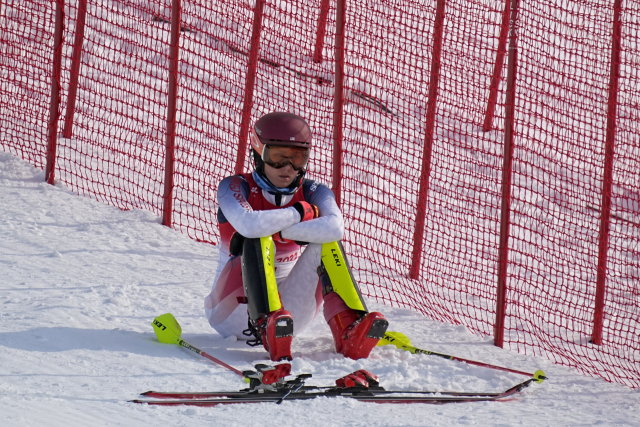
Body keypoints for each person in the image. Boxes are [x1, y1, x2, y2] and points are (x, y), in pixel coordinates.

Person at [205, 112, 388, 362]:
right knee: (256, 237)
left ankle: (348, 329)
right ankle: (266, 321)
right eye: (278, 157)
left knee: (326, 243)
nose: (287, 168)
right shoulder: (234, 186)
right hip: (231, 312)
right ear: (259, 153)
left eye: (297, 158)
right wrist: (299, 213)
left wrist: (281, 229)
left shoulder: (314, 191)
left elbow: (335, 228)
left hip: (288, 319)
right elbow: (248, 224)